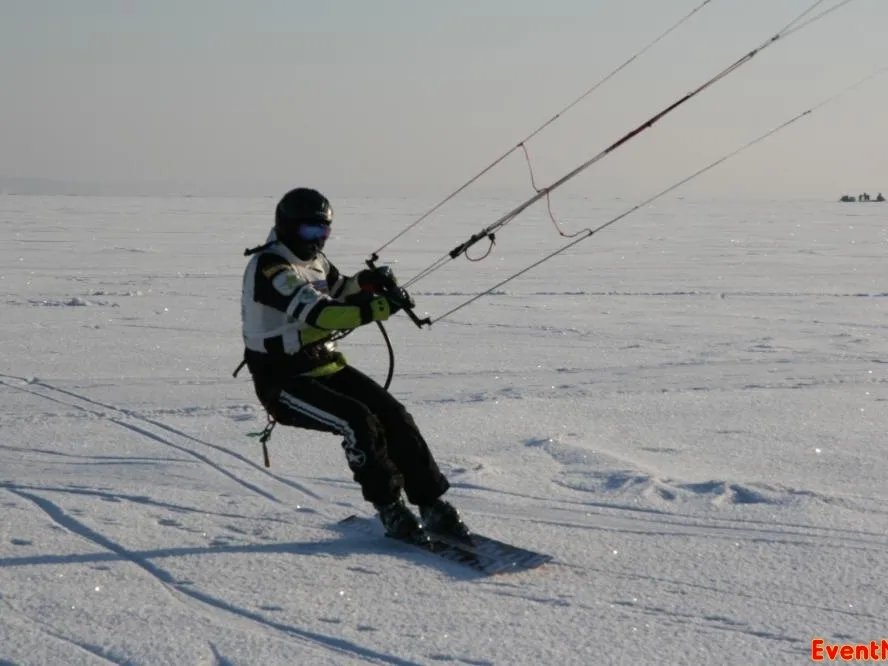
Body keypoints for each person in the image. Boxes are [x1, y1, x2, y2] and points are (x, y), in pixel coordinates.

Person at [239, 187, 469, 542]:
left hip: (325, 364)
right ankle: (390, 508)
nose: (318, 240)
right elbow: (318, 313)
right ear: (286, 227)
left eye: (324, 232)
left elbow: (339, 288)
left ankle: (431, 503)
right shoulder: (271, 267)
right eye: (310, 232)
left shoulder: (316, 262)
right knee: (357, 421)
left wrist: (367, 283)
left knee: (394, 415)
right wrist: (370, 310)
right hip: (282, 379)